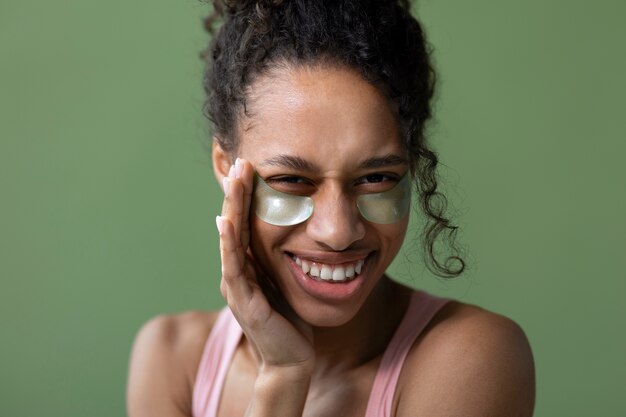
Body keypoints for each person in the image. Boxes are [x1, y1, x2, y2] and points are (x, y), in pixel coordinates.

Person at [126, 1, 535, 416]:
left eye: (376, 178)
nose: (338, 231)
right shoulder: (174, 361)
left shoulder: (469, 359)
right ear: (225, 166)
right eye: (292, 181)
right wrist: (284, 376)